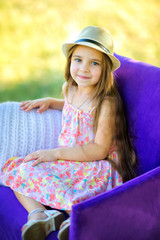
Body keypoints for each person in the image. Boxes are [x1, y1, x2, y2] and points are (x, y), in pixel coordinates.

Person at [0, 26, 137, 240]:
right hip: (70, 160)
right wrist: (52, 103)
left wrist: (55, 153)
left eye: (94, 63)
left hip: (95, 166)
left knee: (79, 191)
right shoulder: (69, 88)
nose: (84, 68)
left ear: (106, 69)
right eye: (78, 60)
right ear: (70, 61)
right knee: (20, 168)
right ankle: (40, 215)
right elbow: (73, 107)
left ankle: (76, 219)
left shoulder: (106, 103)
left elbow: (99, 150)